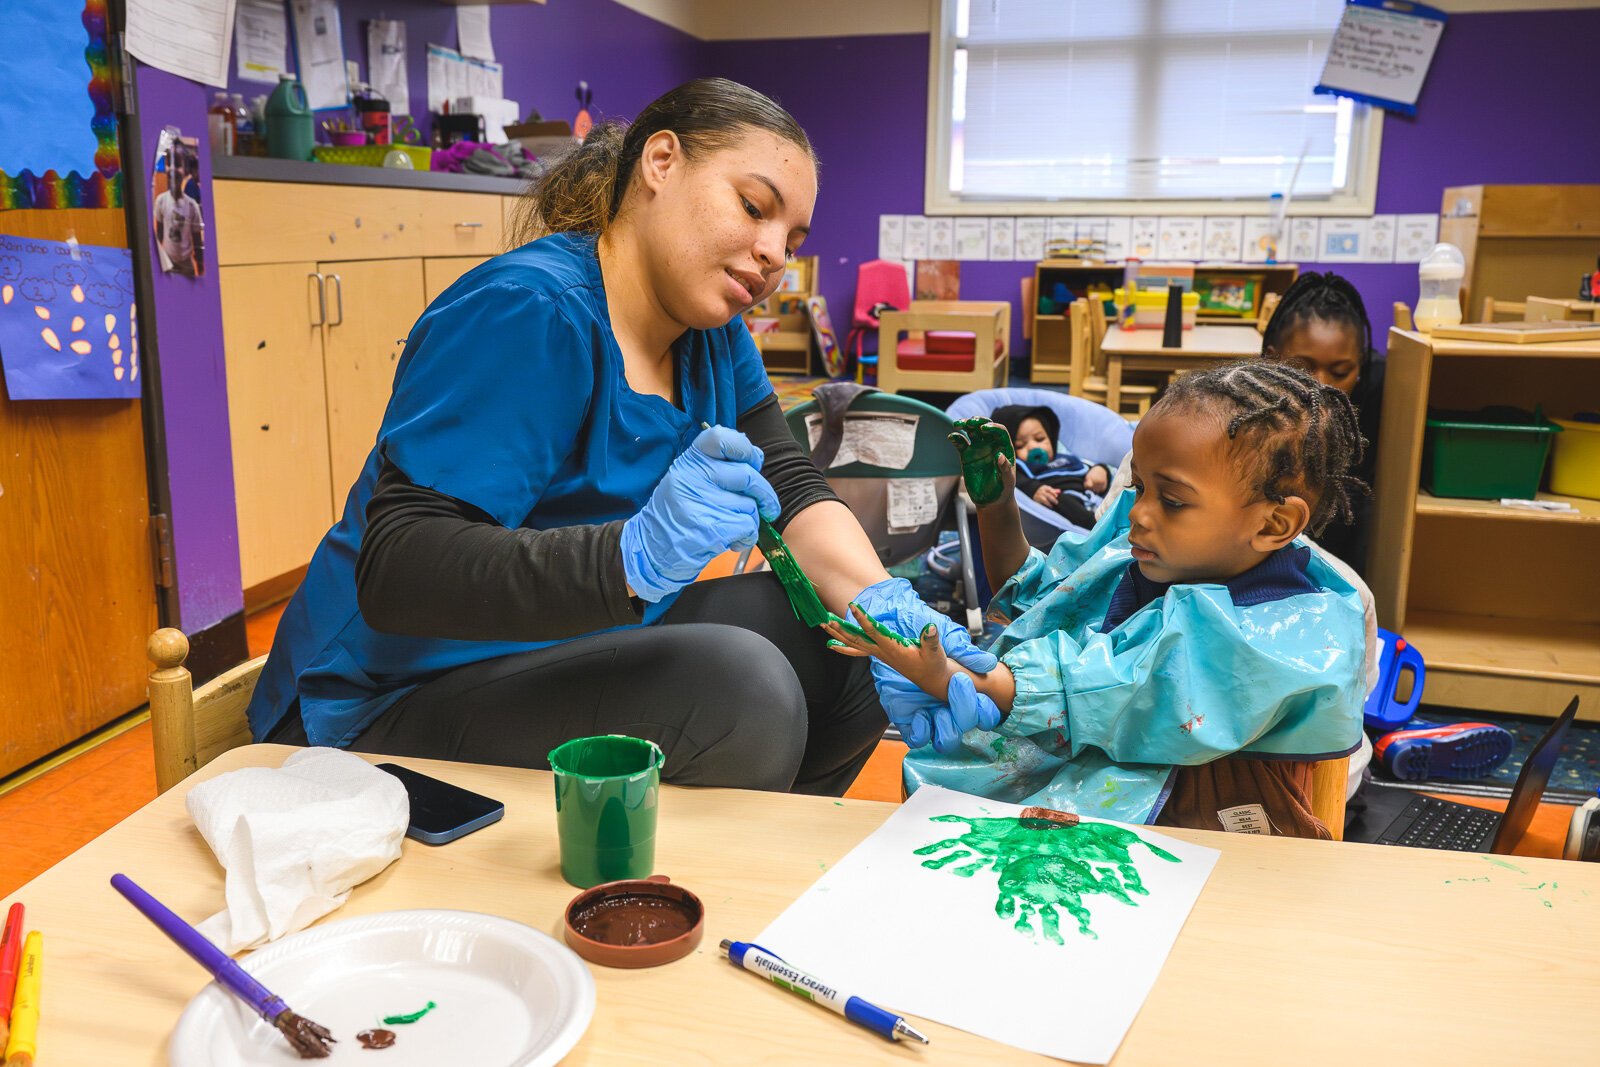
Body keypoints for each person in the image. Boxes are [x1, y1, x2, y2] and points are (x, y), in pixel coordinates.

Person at [244, 78, 994, 796]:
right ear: (660, 163)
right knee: (740, 691)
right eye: (752, 206)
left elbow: (792, 487)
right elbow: (400, 570)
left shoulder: (710, 333)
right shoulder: (528, 313)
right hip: (374, 703)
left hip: (527, 655)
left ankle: (745, 884)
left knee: (845, 646)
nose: (773, 254)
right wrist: (628, 561)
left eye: (790, 236)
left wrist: (897, 617)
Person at [827, 361, 1370, 838]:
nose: (1138, 512)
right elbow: (1040, 598)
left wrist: (952, 676)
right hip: (1104, 763)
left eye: (1173, 500)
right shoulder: (1149, 544)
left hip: (1213, 823)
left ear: (1275, 523)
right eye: (1138, 485)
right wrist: (997, 508)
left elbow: (1125, 686)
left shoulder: (1285, 631)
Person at [1261, 271, 1382, 576]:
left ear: (1360, 367)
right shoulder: (1252, 395)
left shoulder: (1382, 394)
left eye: (1340, 372)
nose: (1321, 387)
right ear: (1271, 359)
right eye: (1303, 368)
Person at [989, 403, 1111, 529]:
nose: (1033, 447)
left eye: (1040, 439)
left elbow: (1088, 466)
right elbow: (1012, 478)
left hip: (1095, 497)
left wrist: (1101, 470)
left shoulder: (1065, 457)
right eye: (1020, 446)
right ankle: (1098, 525)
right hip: (1062, 499)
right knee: (1057, 499)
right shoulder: (1018, 467)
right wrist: (1034, 488)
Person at [153, 153, 204, 277]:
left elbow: (197, 240)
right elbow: (159, 233)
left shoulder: (192, 206)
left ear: (185, 173)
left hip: (186, 263)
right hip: (167, 262)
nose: (173, 169)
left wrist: (200, 264)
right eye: (169, 164)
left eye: (178, 165)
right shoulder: (161, 200)